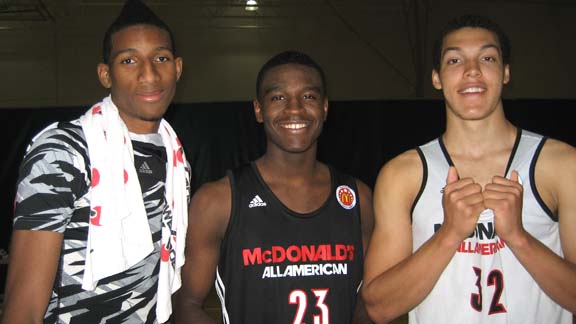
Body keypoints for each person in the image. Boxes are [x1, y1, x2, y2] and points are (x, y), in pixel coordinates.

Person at [362, 14, 576, 324]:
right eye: (454, 61)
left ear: (505, 72)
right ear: (436, 78)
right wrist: (449, 234)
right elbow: (379, 308)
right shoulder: (403, 174)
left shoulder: (560, 164)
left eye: (487, 58)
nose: (472, 70)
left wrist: (518, 237)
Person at [0, 0, 189, 323]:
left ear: (178, 68)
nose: (149, 74)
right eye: (129, 60)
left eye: (161, 58)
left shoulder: (174, 157)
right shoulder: (64, 152)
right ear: (106, 74)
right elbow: (25, 305)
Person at [174, 51, 374, 324]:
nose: (295, 109)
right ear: (258, 109)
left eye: (309, 97)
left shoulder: (357, 198)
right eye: (278, 98)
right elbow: (186, 305)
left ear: (325, 108)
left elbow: (367, 302)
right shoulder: (218, 201)